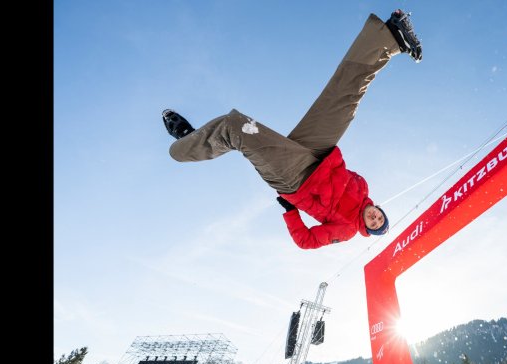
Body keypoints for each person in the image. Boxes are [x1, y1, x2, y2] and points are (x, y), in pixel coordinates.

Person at [162, 10, 422, 249]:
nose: (375, 218)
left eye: (374, 224)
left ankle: (185, 145)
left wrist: (290, 211)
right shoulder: (363, 187)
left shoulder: (345, 231)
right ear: (379, 208)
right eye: (380, 216)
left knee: (236, 126)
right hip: (320, 153)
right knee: (344, 99)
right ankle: (390, 37)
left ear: (367, 229)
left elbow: (306, 241)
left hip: (296, 179)